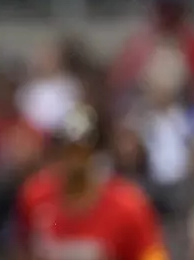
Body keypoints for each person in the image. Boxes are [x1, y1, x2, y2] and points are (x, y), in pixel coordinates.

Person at [16, 105, 168, 260]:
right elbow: (24, 250)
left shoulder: (128, 205)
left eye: (82, 152)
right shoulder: (35, 195)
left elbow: (152, 254)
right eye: (67, 150)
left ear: (98, 153)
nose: (74, 160)